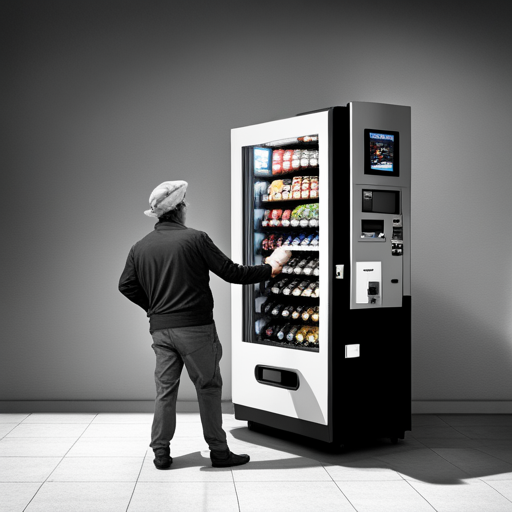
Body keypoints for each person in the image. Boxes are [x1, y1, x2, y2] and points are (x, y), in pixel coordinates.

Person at [118, 180, 290, 470]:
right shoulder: (195, 239)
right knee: (208, 388)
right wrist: (271, 268)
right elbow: (232, 272)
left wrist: (154, 308)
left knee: (165, 391)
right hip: (196, 329)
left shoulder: (140, 247)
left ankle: (161, 453)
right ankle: (219, 452)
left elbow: (126, 285)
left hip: (161, 330)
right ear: (180, 209)